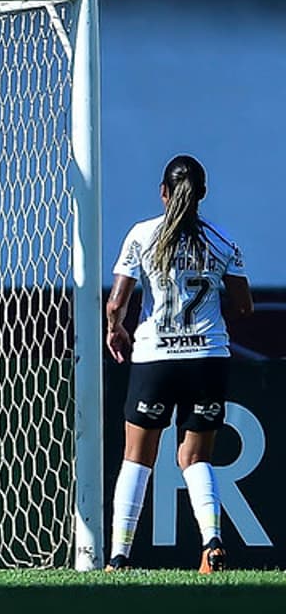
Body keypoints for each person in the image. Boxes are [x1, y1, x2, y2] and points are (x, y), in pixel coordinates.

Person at [104, 155, 252, 574]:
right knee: (196, 459)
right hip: (207, 359)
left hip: (156, 358)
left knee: (137, 458)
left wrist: (116, 329)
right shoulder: (223, 241)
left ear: (163, 193)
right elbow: (244, 306)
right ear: (202, 194)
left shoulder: (142, 235)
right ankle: (212, 543)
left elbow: (117, 302)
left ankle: (118, 557)